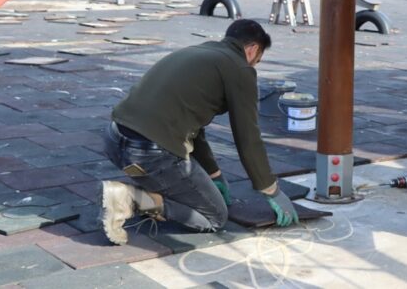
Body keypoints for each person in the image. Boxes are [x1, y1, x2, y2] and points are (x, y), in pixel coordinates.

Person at [100, 19, 299, 245]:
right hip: (149, 152)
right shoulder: (240, 67)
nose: (254, 66)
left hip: (115, 140)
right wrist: (271, 190)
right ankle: (131, 199)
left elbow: (194, 125)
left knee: (191, 188)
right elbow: (248, 136)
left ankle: (142, 191)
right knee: (214, 216)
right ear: (253, 49)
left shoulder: (199, 53)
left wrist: (214, 175)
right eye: (257, 60)